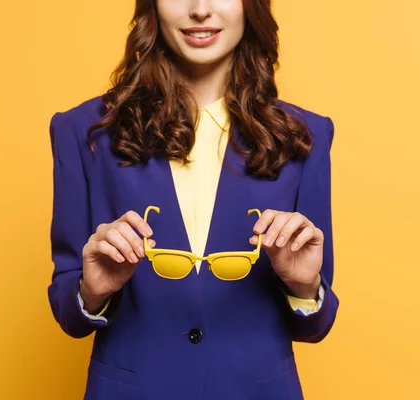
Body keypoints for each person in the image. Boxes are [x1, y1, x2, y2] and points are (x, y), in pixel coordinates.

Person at [47, 0, 339, 398]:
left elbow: (315, 325)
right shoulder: (84, 132)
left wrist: (303, 286)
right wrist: (92, 291)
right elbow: (69, 312)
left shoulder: (306, 136)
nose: (200, 9)